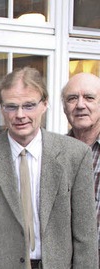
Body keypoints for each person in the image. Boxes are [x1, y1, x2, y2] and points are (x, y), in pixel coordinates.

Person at [0, 67, 99, 268]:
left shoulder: (75, 155)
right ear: (2, 108)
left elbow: (85, 235)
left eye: (28, 106)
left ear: (44, 104)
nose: (20, 115)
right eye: (11, 106)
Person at [61, 72, 100, 257]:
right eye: (72, 98)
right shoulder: (53, 153)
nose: (80, 105)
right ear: (63, 107)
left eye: (89, 98)